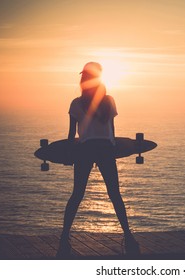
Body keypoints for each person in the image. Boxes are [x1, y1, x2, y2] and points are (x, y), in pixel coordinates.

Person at [57, 62, 140, 257]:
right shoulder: (109, 101)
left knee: (77, 194)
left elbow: (71, 135)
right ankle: (128, 237)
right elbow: (111, 130)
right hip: (106, 149)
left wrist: (69, 155)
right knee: (115, 194)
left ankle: (64, 239)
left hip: (84, 149)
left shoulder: (76, 103)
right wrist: (112, 148)